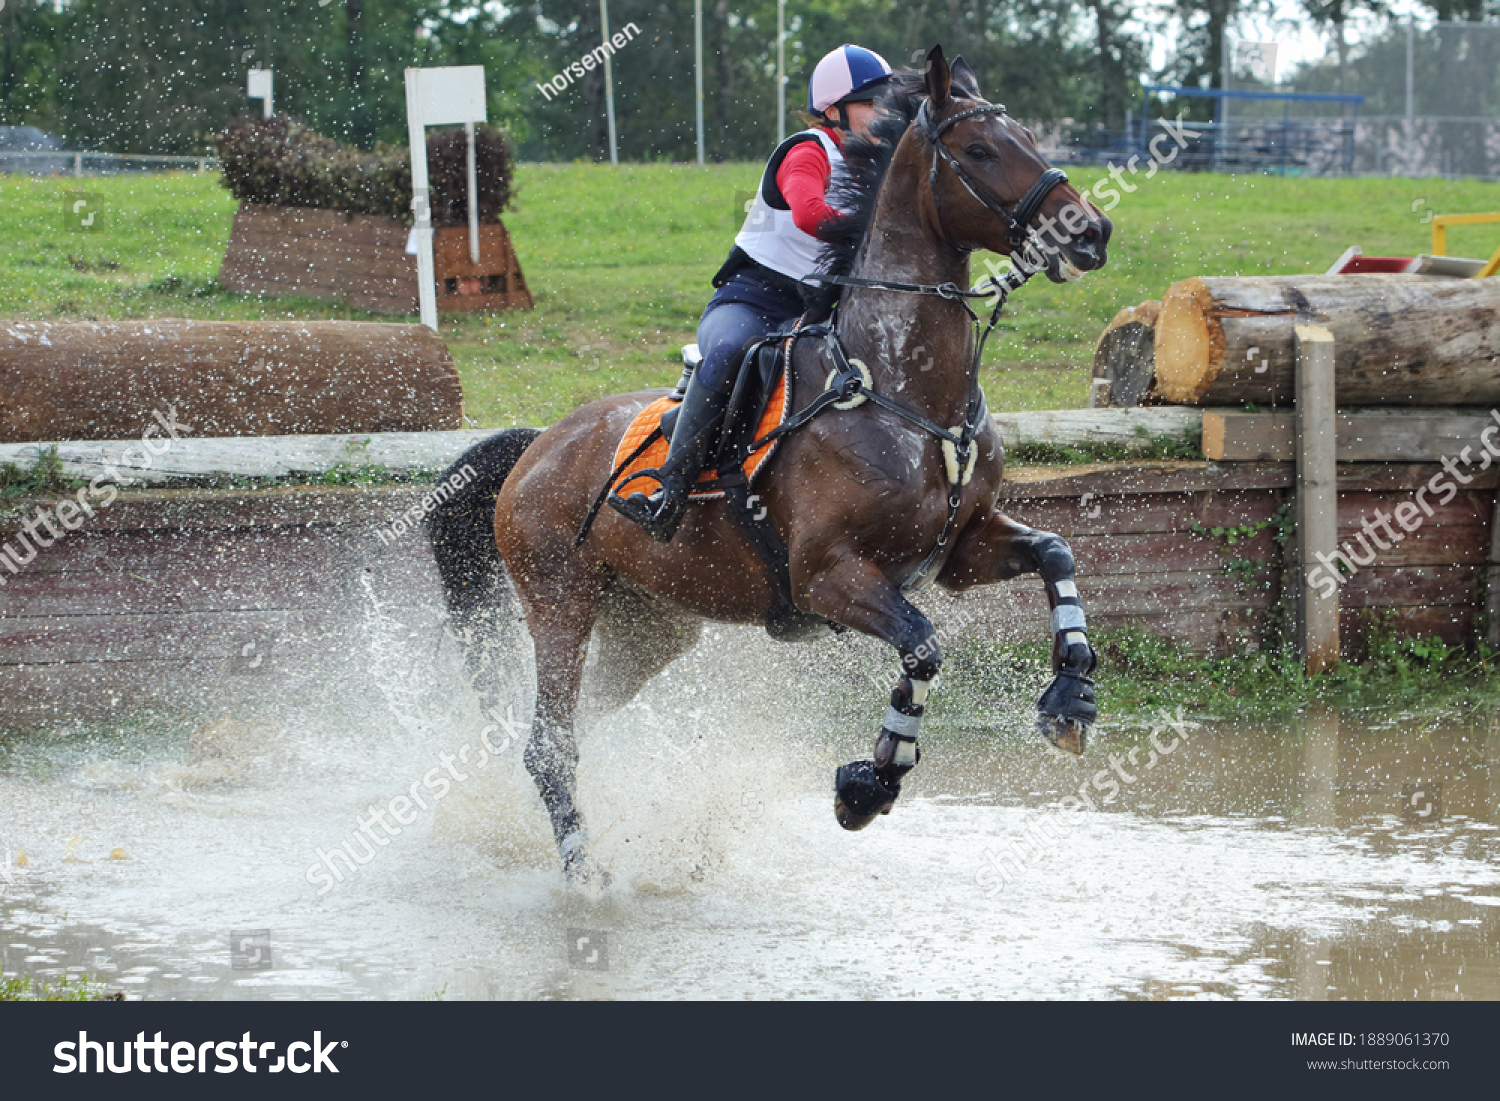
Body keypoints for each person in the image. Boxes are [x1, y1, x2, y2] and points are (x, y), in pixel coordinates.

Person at [610, 44, 893, 542]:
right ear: (833, 109)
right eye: (873, 101)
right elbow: (809, 215)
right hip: (754, 301)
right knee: (728, 353)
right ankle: (666, 493)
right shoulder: (807, 150)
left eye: (891, 101)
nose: (887, 112)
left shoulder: (881, 165)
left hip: (818, 309)